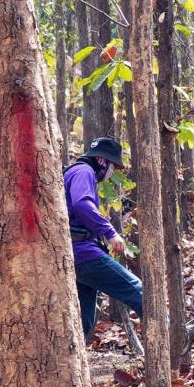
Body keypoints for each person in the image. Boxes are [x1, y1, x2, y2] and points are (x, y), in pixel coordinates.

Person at [65, 136, 144, 340]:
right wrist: (110, 233)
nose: (112, 172)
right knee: (137, 290)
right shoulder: (83, 172)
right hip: (84, 254)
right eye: (112, 167)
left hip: (74, 254)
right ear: (102, 161)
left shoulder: (76, 172)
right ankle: (172, 335)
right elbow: (82, 205)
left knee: (83, 321)